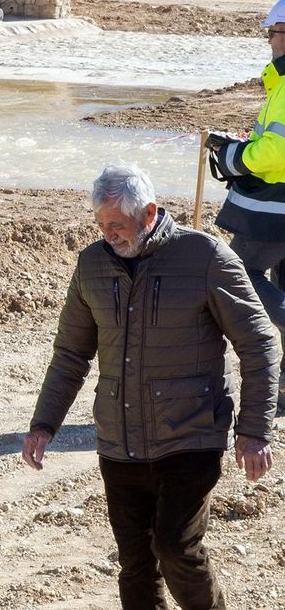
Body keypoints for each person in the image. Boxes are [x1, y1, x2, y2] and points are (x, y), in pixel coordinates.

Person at [24, 164, 279, 610]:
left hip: (190, 435)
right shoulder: (91, 265)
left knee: (177, 549)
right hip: (119, 440)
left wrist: (254, 430)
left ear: (149, 213)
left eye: (117, 225)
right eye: (101, 225)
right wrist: (44, 424)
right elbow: (70, 354)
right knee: (136, 564)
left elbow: (258, 343)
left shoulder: (205, 257)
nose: (108, 234)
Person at [208, 0, 285, 389]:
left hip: (274, 208)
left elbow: (277, 150)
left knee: (240, 270)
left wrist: (234, 155)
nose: (270, 40)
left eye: (274, 32)